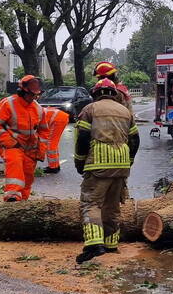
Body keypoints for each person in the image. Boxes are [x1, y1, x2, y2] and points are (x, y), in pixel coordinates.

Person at [73, 78, 139, 263]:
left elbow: (83, 138)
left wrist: (80, 162)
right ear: (114, 94)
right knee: (112, 205)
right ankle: (111, 244)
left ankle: (93, 245)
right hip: (121, 165)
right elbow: (135, 140)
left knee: (91, 203)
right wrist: (129, 161)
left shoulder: (90, 109)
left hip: (98, 164)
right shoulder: (125, 111)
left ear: (95, 94)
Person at [0, 75, 49, 202]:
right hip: (12, 145)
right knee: (15, 166)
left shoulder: (38, 108)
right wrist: (10, 142)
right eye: (31, 95)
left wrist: (41, 150)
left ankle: (23, 203)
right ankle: (12, 196)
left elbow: (44, 131)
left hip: (30, 149)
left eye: (35, 96)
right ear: (23, 91)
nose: (33, 98)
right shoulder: (8, 103)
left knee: (27, 177)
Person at [40, 105, 70, 174]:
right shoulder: (33, 111)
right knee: (53, 143)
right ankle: (55, 165)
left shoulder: (30, 115)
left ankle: (53, 167)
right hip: (60, 118)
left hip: (58, 120)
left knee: (50, 144)